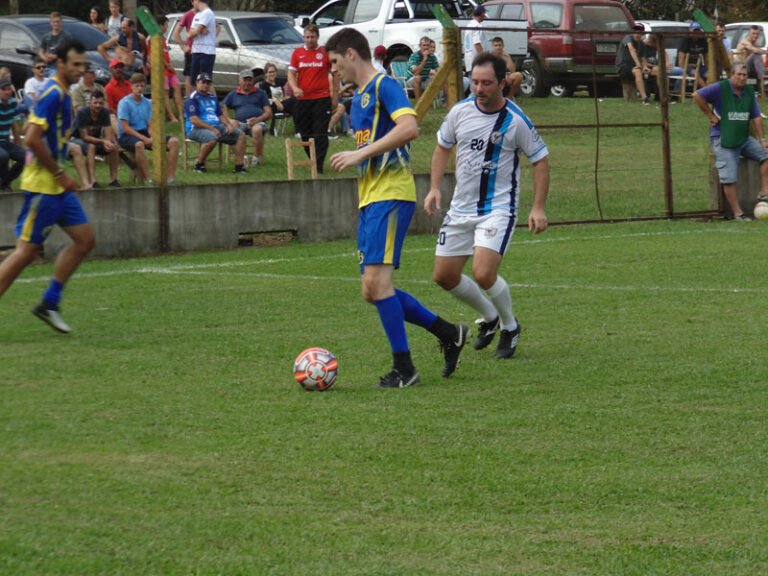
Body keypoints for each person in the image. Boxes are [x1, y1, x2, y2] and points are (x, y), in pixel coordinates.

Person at [325, 27, 469, 388]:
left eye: (334, 62)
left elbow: (409, 128)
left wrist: (360, 153)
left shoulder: (383, 86)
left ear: (352, 54)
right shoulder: (357, 97)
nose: (333, 70)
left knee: (378, 283)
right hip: (371, 198)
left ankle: (405, 369)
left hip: (391, 194)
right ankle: (449, 333)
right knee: (371, 290)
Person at [425, 51, 550, 359]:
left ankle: (510, 326)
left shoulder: (516, 120)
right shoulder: (460, 112)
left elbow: (541, 161)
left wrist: (538, 207)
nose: (479, 89)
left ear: (502, 83)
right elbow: (442, 147)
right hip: (460, 208)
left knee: (483, 273)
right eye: (475, 82)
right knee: (444, 276)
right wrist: (433, 188)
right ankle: (490, 317)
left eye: (486, 83)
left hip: (497, 208)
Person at [0, 39, 94, 334]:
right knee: (26, 252)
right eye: (75, 65)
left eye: (83, 65)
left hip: (56, 188)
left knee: (85, 240)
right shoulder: (53, 92)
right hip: (44, 185)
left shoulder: (66, 93)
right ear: (61, 64)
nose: (80, 70)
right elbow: (30, 137)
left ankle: (49, 303)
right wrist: (59, 174)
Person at [693, 63, 768, 221]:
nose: (742, 78)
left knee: (766, 154)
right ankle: (737, 213)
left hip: (743, 138)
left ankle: (764, 192)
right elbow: (697, 95)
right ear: (731, 75)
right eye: (739, 75)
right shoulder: (720, 88)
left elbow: (756, 117)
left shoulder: (748, 92)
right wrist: (709, 115)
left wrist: (762, 139)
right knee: (729, 176)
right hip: (723, 138)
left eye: (744, 75)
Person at [288, 23, 337, 174]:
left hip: (321, 99)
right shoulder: (297, 53)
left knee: (320, 133)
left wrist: (335, 96)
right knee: (305, 133)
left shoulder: (324, 53)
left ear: (317, 37)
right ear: (304, 37)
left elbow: (335, 74)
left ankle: (319, 166)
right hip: (303, 100)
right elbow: (291, 73)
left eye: (312, 37)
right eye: (307, 37)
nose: (310, 40)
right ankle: (313, 159)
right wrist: (295, 88)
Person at [117, 73, 179, 185]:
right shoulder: (124, 103)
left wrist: (152, 137)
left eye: (141, 86)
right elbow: (125, 128)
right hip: (128, 135)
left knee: (174, 142)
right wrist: (145, 139)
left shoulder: (147, 103)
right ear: (131, 86)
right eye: (136, 85)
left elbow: (150, 125)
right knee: (139, 145)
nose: (139, 88)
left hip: (144, 132)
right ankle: (148, 179)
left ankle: (169, 178)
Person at [185, 72, 247, 173]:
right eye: (203, 82)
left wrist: (228, 125)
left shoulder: (212, 97)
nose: (205, 85)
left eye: (208, 83)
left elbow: (220, 115)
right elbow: (194, 120)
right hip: (196, 129)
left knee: (241, 135)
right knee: (212, 138)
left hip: (217, 127)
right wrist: (212, 129)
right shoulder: (192, 99)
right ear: (197, 83)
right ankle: (199, 165)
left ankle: (239, 167)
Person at [222, 69, 272, 166]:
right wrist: (229, 120)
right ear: (239, 81)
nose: (247, 83)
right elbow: (221, 107)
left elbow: (269, 113)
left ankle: (255, 159)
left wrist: (258, 119)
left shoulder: (261, 93)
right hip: (240, 123)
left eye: (250, 80)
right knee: (229, 130)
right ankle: (242, 157)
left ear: (253, 81)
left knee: (257, 129)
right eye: (245, 80)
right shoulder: (233, 94)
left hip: (258, 122)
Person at [71, 92, 120, 188]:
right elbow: (84, 137)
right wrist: (103, 141)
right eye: (95, 103)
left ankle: (113, 180)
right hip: (77, 139)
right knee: (91, 147)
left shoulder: (105, 113)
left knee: (114, 146)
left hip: (95, 139)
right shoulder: (82, 113)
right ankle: (93, 181)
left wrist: (108, 143)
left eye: (100, 103)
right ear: (90, 103)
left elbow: (108, 133)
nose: (98, 105)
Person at [154, 15, 184, 122]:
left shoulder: (163, 38)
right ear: (160, 26)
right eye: (166, 25)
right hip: (162, 70)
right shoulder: (154, 38)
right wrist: (167, 65)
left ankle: (181, 114)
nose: (167, 27)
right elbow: (155, 54)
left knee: (177, 87)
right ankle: (172, 116)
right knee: (165, 92)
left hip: (169, 69)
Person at [616, 24, 651, 105]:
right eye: (636, 32)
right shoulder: (628, 38)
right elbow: (631, 49)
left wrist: (645, 67)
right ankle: (644, 98)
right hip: (623, 66)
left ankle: (662, 96)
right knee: (638, 71)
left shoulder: (641, 43)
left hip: (634, 66)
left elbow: (643, 58)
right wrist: (638, 64)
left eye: (640, 32)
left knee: (656, 71)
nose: (637, 34)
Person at [0, 77, 23, 192]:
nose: (7, 92)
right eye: (4, 89)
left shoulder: (13, 103)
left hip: (6, 141)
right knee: (3, 156)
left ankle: (5, 182)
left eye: (9, 89)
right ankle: (4, 185)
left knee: (26, 157)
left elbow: (15, 125)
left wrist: (18, 144)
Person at [188, 0, 217, 87]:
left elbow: (195, 32)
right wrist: (199, 30)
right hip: (196, 51)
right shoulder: (197, 15)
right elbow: (190, 34)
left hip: (207, 52)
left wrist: (197, 31)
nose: (192, 3)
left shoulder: (208, 13)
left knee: (204, 82)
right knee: (194, 81)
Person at [733, 25, 766, 95]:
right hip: (740, 67)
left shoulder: (757, 45)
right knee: (755, 54)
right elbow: (754, 50)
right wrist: (764, 51)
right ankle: (762, 80)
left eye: (757, 34)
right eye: (753, 33)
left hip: (751, 69)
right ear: (749, 34)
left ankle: (762, 83)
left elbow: (760, 59)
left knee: (758, 58)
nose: (755, 35)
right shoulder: (745, 42)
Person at [173, 0, 197, 97]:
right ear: (192, 2)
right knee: (189, 76)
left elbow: (217, 27)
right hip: (191, 52)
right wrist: (183, 47)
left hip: (202, 51)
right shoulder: (188, 15)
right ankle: (189, 99)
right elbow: (176, 32)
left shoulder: (206, 14)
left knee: (202, 77)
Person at [105, 59, 131, 136]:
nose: (119, 70)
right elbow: (110, 109)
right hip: (119, 117)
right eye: (116, 68)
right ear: (110, 70)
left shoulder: (129, 84)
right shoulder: (108, 88)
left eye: (120, 67)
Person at [678, 22, 708, 89]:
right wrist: (684, 70)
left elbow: (706, 58)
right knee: (696, 74)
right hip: (687, 66)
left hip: (699, 66)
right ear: (690, 30)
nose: (696, 33)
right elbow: (681, 62)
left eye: (697, 30)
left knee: (710, 75)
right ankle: (707, 92)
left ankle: (710, 92)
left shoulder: (703, 41)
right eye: (694, 30)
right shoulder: (685, 41)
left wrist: (707, 68)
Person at [464, 5, 487, 74]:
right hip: (476, 60)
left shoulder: (469, 25)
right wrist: (484, 58)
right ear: (482, 14)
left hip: (469, 59)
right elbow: (477, 43)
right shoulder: (477, 26)